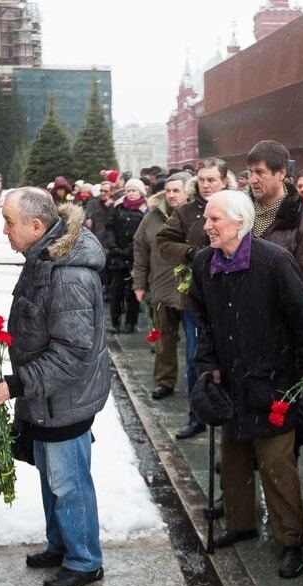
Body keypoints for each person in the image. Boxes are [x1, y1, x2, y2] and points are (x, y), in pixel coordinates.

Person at [188, 190, 303, 579]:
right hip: (229, 379)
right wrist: (208, 363)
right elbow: (203, 319)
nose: (207, 226)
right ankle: (241, 522)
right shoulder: (204, 263)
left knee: (276, 462)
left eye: (215, 220)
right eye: (207, 219)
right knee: (233, 458)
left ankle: (291, 539)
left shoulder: (274, 261)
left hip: (273, 380)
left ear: (239, 223)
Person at [0, 189, 110, 586]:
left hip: (65, 398)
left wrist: (18, 383)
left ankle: (84, 560)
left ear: (37, 227)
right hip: (47, 396)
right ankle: (61, 545)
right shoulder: (45, 257)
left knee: (68, 482)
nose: (3, 230)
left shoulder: (68, 273)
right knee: (52, 476)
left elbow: (72, 352)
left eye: (9, 222)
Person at [156, 158, 231, 440]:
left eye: (212, 179)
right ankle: (197, 415)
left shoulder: (239, 205)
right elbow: (163, 242)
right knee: (195, 357)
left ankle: (230, 418)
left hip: (234, 294)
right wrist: (190, 253)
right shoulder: (187, 212)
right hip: (196, 297)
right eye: (202, 179)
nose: (206, 184)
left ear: (224, 180)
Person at [245, 140, 303, 317]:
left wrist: (302, 337)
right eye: (250, 172)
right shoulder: (240, 213)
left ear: (281, 173)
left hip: (282, 329)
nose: (252, 179)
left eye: (259, 172)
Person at [133, 173, 191, 400]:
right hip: (162, 287)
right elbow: (140, 250)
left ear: (187, 191)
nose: (172, 195)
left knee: (195, 343)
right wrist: (139, 282)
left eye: (177, 190)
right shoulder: (152, 218)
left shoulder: (196, 215)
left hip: (190, 290)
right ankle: (165, 381)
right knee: (163, 340)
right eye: (168, 191)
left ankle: (198, 382)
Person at [104, 178, 148, 333]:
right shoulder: (118, 208)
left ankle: (131, 322)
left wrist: (130, 248)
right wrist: (113, 246)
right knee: (116, 292)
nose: (131, 193)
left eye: (134, 190)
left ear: (140, 192)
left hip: (135, 258)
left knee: (132, 292)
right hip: (117, 257)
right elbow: (109, 228)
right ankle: (115, 322)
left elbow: (144, 234)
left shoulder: (145, 210)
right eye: (128, 190)